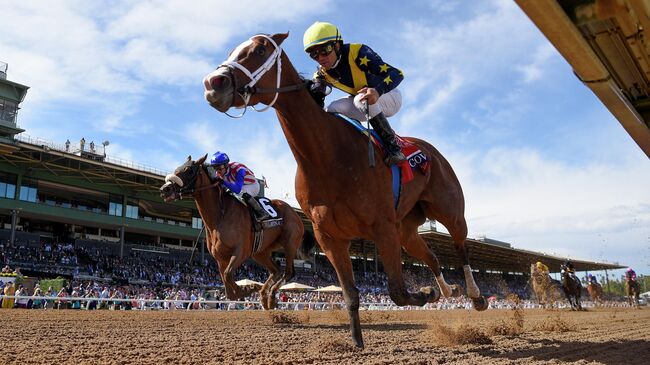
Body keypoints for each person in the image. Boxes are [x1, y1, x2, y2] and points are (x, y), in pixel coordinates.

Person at [303, 21, 406, 165]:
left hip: (390, 97)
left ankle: (394, 148)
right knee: (331, 109)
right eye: (314, 54)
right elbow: (316, 102)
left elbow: (397, 74)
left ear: (337, 45)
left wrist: (377, 91)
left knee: (360, 99)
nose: (320, 58)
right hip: (363, 104)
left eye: (325, 50)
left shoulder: (358, 52)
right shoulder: (322, 74)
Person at [209, 151, 271, 221]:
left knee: (241, 192)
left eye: (220, 167)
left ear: (226, 165)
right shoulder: (221, 172)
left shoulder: (239, 169)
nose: (218, 171)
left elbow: (238, 189)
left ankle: (261, 212)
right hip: (239, 185)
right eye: (215, 168)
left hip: (252, 185)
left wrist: (223, 181)